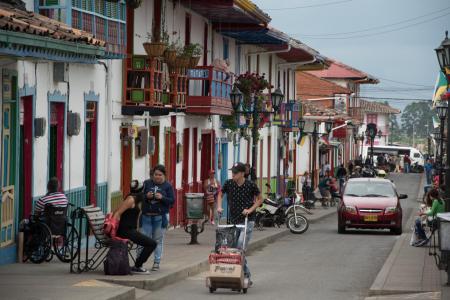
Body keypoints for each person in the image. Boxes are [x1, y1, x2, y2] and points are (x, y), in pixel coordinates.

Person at [217, 162, 263, 287]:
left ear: (243, 173)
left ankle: (245, 276)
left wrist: (250, 210)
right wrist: (220, 206)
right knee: (232, 249)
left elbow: (260, 199)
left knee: (239, 248)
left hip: (248, 220)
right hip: (233, 221)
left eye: (235, 172)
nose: (233, 174)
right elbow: (220, 194)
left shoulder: (250, 185)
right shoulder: (229, 183)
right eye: (232, 172)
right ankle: (240, 275)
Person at [141, 164, 175, 271]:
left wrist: (162, 197)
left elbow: (172, 201)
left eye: (160, 175)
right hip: (146, 217)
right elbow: (139, 197)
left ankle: (156, 262)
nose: (157, 177)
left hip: (160, 218)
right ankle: (139, 262)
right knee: (142, 240)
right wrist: (146, 196)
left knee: (158, 240)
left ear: (164, 175)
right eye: (155, 174)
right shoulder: (146, 184)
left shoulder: (168, 186)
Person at [114, 191, 157, 274]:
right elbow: (117, 212)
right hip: (124, 231)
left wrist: (137, 231)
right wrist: (113, 231)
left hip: (131, 231)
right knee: (152, 243)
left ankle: (137, 265)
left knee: (151, 243)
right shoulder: (131, 199)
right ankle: (137, 266)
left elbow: (137, 218)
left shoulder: (138, 203)